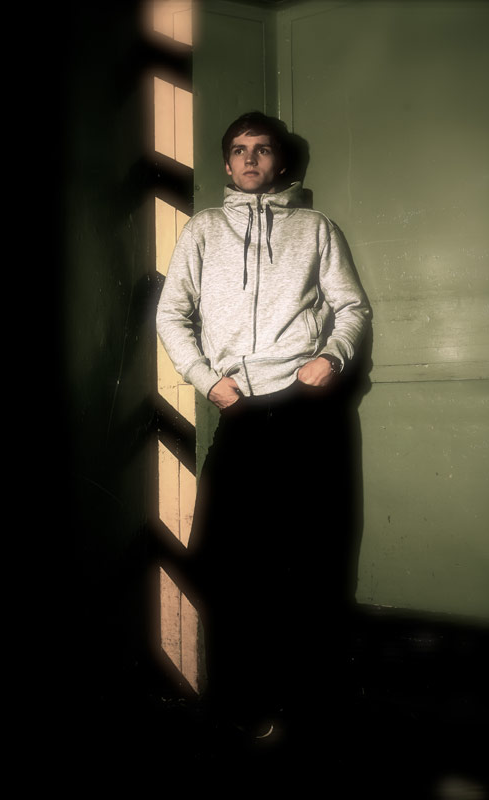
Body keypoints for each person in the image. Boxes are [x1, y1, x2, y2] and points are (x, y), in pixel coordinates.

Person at [156, 111, 370, 740]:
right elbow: (172, 313)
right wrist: (206, 379)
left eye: (263, 149)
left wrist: (331, 358)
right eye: (239, 150)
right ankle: (238, 703)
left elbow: (351, 307)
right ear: (227, 163)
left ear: (280, 161)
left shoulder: (315, 228)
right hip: (240, 406)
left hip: (308, 412)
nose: (251, 159)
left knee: (307, 559)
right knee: (221, 556)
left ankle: (303, 707)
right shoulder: (204, 228)